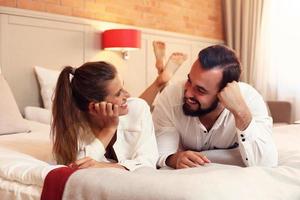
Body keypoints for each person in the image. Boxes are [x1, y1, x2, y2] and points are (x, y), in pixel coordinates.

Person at [152, 44, 278, 169]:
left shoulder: (250, 100)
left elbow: (266, 163)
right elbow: (161, 153)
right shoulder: (170, 96)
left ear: (224, 93)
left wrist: (241, 113)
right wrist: (174, 159)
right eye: (189, 80)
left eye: (200, 90)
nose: (188, 92)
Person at [51, 61, 158, 171]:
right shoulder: (75, 129)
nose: (127, 95)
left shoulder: (138, 108)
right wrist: (109, 129)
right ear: (94, 107)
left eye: (123, 87)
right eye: (118, 93)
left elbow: (148, 161)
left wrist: (105, 166)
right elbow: (76, 170)